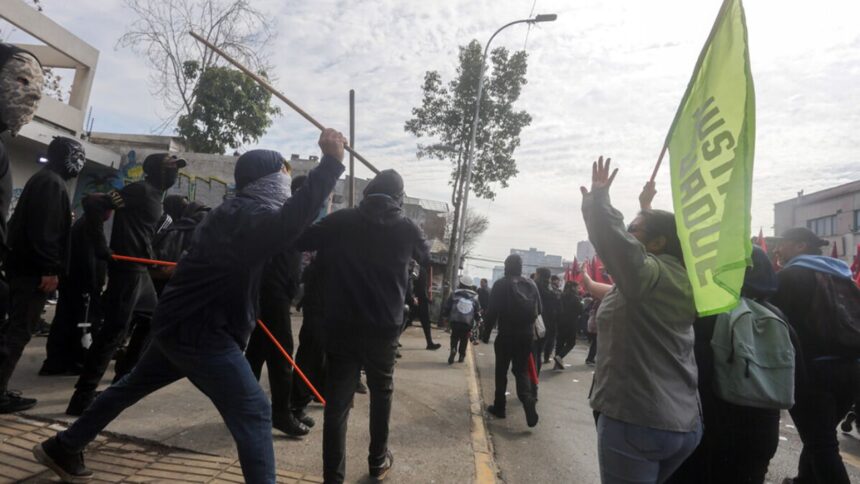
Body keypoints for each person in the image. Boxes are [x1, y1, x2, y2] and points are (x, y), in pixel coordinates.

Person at [33, 129, 346, 484]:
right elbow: (289, 223)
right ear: (266, 182)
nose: (285, 186)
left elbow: (293, 226)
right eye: (282, 179)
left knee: (130, 387)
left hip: (180, 323)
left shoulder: (238, 212)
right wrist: (331, 162)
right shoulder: (248, 216)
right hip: (202, 332)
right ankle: (66, 445)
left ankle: (65, 445)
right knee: (256, 410)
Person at [294, 169, 429, 483]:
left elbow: (300, 239)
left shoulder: (342, 220)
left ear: (368, 192)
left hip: (342, 325)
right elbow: (426, 256)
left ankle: (333, 477)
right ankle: (377, 461)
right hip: (385, 328)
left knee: (337, 404)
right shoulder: (408, 227)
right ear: (398, 198)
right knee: (382, 393)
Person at [582, 157, 700, 483]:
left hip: (637, 422)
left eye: (635, 228)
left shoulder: (648, 276)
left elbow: (618, 243)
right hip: (682, 424)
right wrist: (645, 207)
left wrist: (598, 201)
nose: (630, 233)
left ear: (659, 243)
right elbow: (619, 288)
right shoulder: (678, 278)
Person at [65, 153, 186, 416]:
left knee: (151, 321)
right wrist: (100, 245)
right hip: (127, 272)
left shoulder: (155, 195)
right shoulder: (139, 190)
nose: (175, 173)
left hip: (141, 270)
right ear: (155, 170)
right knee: (113, 333)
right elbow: (93, 203)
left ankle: (122, 379)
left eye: (177, 169)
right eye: (170, 169)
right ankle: (82, 397)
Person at [667, 246, 793, 484]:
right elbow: (798, 379)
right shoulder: (777, 316)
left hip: (712, 429)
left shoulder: (709, 312)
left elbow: (692, 373)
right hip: (762, 434)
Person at [0, 136, 83, 412]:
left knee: (13, 329)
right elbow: (44, 231)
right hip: (32, 273)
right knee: (19, 331)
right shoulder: (51, 183)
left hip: (23, 269)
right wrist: (49, 268)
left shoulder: (46, 180)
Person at [771, 227, 860, 484]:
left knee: (821, 444)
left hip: (813, 372)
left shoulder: (791, 276)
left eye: (783, 244)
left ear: (800, 246)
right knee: (820, 436)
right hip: (851, 369)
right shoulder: (843, 277)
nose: (777, 250)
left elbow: (774, 322)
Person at [245, 174, 309, 438]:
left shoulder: (297, 217)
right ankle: (281, 413)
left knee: (256, 353)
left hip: (279, 292)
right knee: (282, 354)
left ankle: (242, 405)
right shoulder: (285, 214)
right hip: (272, 293)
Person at [40, 196, 113, 376]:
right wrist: (94, 284)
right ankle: (75, 360)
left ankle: (59, 361)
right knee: (83, 323)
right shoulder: (89, 228)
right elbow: (89, 261)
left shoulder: (85, 225)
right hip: (83, 286)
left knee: (66, 320)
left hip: (75, 284)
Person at [480, 254, 540, 427]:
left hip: (506, 334)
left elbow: (491, 312)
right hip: (526, 335)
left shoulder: (501, 284)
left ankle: (500, 407)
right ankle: (527, 399)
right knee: (521, 370)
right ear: (521, 267)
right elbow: (539, 310)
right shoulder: (531, 284)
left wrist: (485, 334)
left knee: (501, 371)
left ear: (506, 266)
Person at [442, 275, 481, 365]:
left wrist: (445, 317)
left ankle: (453, 349)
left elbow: (447, 306)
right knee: (464, 339)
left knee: (454, 336)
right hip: (467, 323)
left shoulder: (454, 293)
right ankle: (461, 356)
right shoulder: (475, 297)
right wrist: (478, 320)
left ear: (460, 284)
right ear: (470, 286)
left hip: (455, 320)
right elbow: (477, 311)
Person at [534, 267, 559, 371]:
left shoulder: (533, 287)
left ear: (539, 275)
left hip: (535, 324)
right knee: (538, 352)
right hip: (546, 326)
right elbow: (558, 310)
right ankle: (534, 382)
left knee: (532, 352)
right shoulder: (553, 291)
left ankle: (531, 379)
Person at [553, 280, 583, 370]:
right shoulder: (576, 298)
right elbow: (580, 311)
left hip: (560, 322)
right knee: (571, 343)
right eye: (577, 287)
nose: (578, 289)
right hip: (571, 323)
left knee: (560, 343)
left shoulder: (561, 296)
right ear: (573, 287)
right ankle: (560, 357)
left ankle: (557, 365)